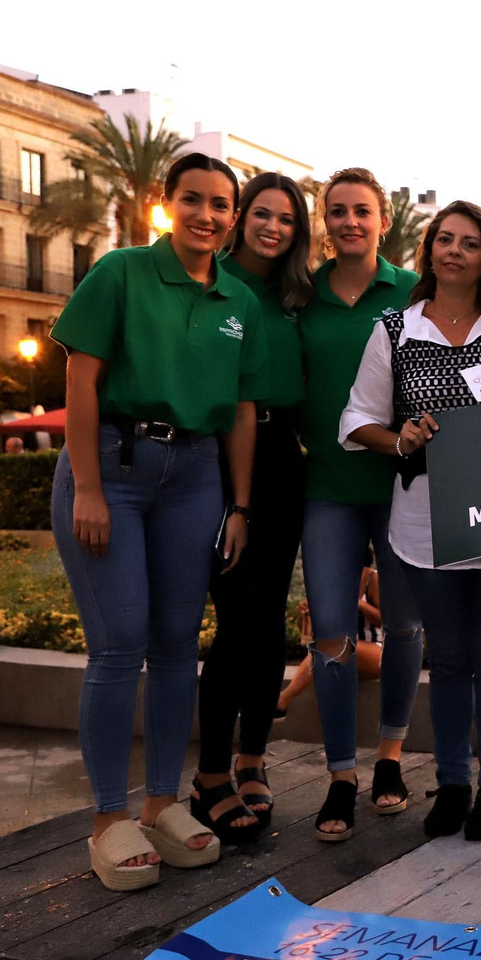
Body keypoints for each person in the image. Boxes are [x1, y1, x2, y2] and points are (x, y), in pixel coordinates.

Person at [49, 152, 263, 891]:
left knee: (178, 646)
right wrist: (86, 487)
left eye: (221, 204)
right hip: (114, 463)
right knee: (119, 645)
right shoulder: (120, 273)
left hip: (197, 476)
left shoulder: (240, 300)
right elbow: (81, 378)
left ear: (233, 215)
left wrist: (239, 504)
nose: (207, 214)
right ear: (164, 202)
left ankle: (164, 803)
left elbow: (241, 409)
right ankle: (110, 820)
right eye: (193, 200)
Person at [342, 200, 481, 841]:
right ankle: (454, 784)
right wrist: (400, 436)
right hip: (424, 518)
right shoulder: (395, 330)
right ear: (428, 251)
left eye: (471, 243)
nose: (455, 251)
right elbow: (357, 420)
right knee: (449, 658)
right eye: (444, 240)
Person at [297, 167, 422, 842]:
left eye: (362, 211)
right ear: (326, 220)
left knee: (403, 626)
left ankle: (390, 760)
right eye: (338, 211)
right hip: (329, 491)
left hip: (405, 488)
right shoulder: (301, 296)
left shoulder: (411, 290)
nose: (350, 221)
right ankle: (341, 774)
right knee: (332, 634)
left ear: (382, 222)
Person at [193, 171, 313, 844]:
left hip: (282, 460)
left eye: (287, 218)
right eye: (262, 214)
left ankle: (251, 758)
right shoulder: (210, 281)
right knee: (241, 619)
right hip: (215, 456)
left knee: (267, 627)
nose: (273, 227)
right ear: (241, 218)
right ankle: (210, 774)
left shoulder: (299, 293)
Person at [278, 567, 383, 719]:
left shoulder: (373, 579)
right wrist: (304, 615)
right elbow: (312, 634)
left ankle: (282, 701)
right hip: (343, 651)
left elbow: (387, 621)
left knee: (333, 647)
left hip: (380, 651)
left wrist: (358, 603)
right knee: (324, 648)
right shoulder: (333, 582)